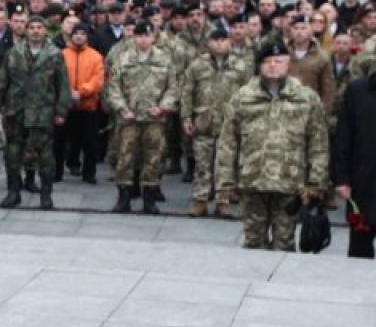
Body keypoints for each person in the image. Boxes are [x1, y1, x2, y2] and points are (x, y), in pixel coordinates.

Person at [217, 40, 329, 251]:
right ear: (259, 66)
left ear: (288, 65)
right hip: (252, 179)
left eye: (279, 61)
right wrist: (226, 180)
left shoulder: (305, 98)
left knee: (284, 241)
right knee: (254, 240)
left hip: (290, 181)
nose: (273, 65)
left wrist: (317, 182)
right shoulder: (243, 97)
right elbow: (228, 141)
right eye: (267, 61)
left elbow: (318, 142)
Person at [0, 15, 72, 210]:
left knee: (45, 157)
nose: (35, 31)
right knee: (13, 155)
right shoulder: (14, 53)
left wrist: (61, 111)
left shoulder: (54, 54)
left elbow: (63, 86)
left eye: (39, 27)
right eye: (32, 27)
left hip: (43, 113)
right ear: (26, 30)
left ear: (45, 31)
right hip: (16, 111)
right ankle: (13, 192)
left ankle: (46, 194)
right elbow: (2, 82)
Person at [104, 21, 178, 214]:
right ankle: (124, 198)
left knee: (154, 158)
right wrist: (122, 108)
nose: (143, 40)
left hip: (155, 119)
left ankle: (149, 199)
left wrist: (163, 106)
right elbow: (113, 88)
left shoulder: (165, 60)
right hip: (129, 118)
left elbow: (173, 87)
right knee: (125, 158)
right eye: (139, 36)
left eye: (147, 36)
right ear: (134, 37)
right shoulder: (124, 59)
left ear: (153, 37)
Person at [180, 27, 250, 217]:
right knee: (202, 165)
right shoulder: (197, 65)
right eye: (215, 40)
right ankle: (200, 201)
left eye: (223, 40)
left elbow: (249, 94)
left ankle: (223, 201)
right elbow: (187, 92)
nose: (219, 44)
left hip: (229, 123)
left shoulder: (240, 65)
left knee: (226, 165)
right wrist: (186, 117)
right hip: (204, 122)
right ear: (209, 42)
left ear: (229, 42)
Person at [334, 70, 376, 258]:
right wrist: (341, 178)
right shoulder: (358, 90)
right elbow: (343, 137)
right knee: (360, 249)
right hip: (363, 185)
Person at [61, 23, 104, 184]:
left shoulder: (96, 56)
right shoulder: (62, 55)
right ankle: (61, 170)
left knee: (90, 143)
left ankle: (89, 173)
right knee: (64, 140)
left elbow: (98, 79)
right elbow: (58, 77)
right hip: (67, 105)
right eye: (76, 33)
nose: (79, 36)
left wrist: (83, 92)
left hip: (89, 105)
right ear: (71, 36)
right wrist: (69, 92)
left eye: (82, 34)